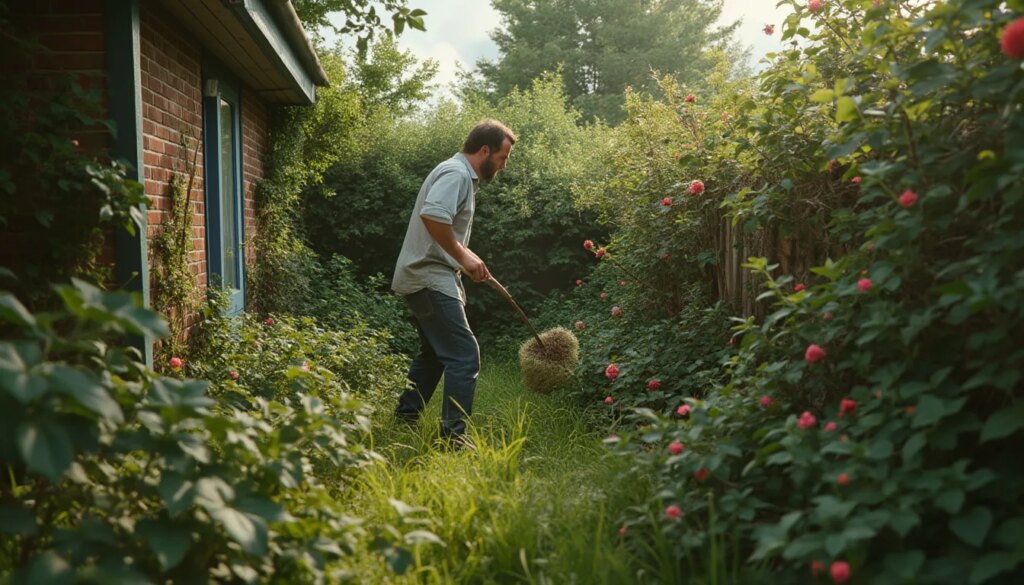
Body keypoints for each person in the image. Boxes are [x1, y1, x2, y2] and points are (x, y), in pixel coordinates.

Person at [391, 119, 517, 445]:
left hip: (424, 275)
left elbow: (444, 231)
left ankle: (404, 418)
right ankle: (452, 439)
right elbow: (434, 216)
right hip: (428, 277)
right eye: (502, 158)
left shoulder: (459, 174)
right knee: (464, 355)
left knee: (435, 352)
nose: (503, 166)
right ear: (485, 150)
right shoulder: (456, 173)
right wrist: (462, 258)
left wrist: (470, 260)